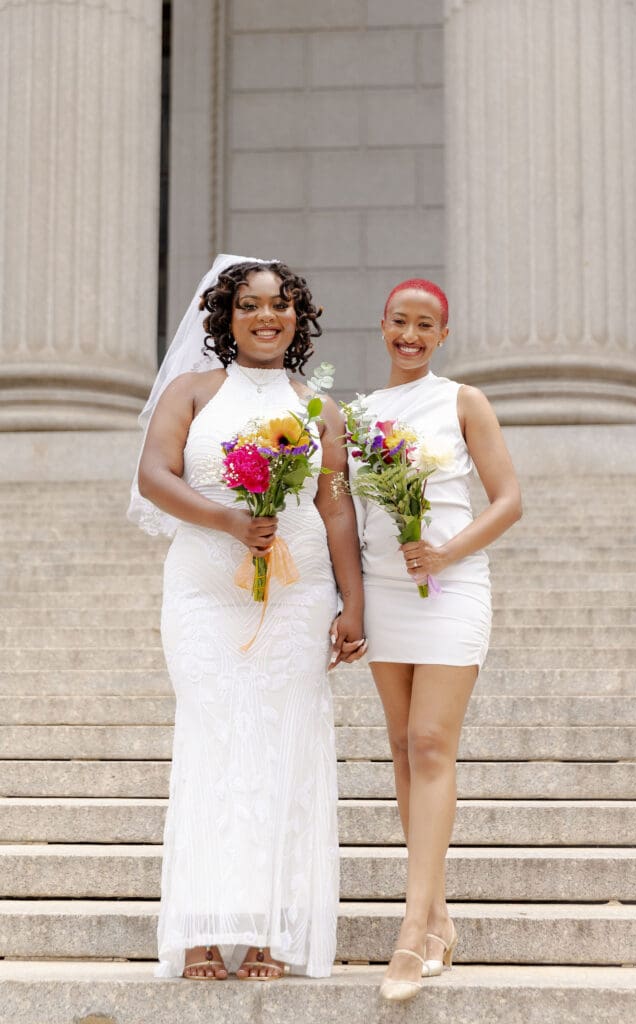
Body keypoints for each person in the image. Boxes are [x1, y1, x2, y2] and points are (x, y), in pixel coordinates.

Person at [128, 254, 367, 982]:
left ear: (299, 318)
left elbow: (332, 505)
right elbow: (153, 476)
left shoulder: (319, 408)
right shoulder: (192, 391)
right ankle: (201, 929)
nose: (266, 316)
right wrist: (227, 521)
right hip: (205, 587)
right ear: (225, 317)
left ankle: (268, 931)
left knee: (283, 748)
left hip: (295, 590)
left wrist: (351, 600)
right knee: (214, 739)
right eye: (250, 305)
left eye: (281, 305)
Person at [351, 278, 522, 1002]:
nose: (410, 335)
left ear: (441, 335)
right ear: (382, 325)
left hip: (449, 589)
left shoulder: (462, 401)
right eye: (399, 322)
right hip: (386, 592)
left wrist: (446, 553)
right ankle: (438, 916)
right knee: (398, 745)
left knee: (428, 742)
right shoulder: (356, 415)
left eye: (425, 325)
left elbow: (509, 500)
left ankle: (410, 931)